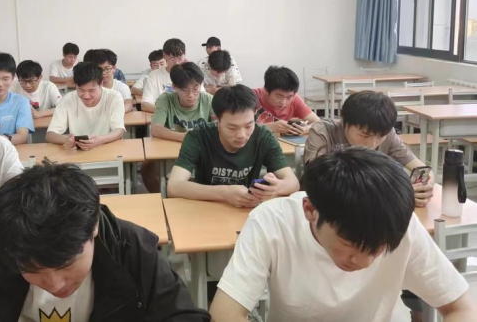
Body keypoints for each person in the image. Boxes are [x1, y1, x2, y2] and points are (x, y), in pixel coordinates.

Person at [0, 164, 210, 321]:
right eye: (33, 270)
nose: (54, 284)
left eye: (66, 265)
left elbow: (181, 315)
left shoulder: (132, 250)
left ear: (93, 228)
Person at [209, 148, 476, 322]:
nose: (365, 262)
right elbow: (225, 313)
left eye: (379, 248)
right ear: (310, 211)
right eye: (350, 245)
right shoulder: (272, 222)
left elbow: (460, 307)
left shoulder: (398, 223)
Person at [167, 85, 299, 208]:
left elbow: (293, 182)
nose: (242, 135)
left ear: (254, 114)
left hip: (246, 210)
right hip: (206, 208)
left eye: (248, 126)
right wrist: (224, 193)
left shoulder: (264, 137)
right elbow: (174, 186)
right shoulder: (199, 136)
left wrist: (276, 188)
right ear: (216, 119)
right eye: (232, 128)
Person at [304, 90, 434, 207]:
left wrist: (425, 187)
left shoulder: (387, 133)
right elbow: (319, 181)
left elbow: (421, 169)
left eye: (381, 136)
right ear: (344, 122)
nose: (372, 144)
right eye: (364, 135)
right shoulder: (323, 131)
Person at [141, 63, 214, 193]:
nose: (191, 95)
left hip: (202, 151)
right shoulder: (166, 99)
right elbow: (156, 128)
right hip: (172, 150)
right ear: (174, 87)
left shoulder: (208, 100)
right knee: (147, 165)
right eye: (185, 90)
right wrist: (184, 137)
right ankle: (162, 198)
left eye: (196, 89)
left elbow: (219, 125)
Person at [45, 62, 125, 151]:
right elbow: (50, 135)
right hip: (78, 153)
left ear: (101, 83)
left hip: (107, 150)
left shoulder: (114, 97)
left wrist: (100, 140)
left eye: (92, 90)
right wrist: (65, 139)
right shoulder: (67, 100)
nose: (86, 96)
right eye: (81, 90)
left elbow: (119, 130)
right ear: (75, 85)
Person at [253, 66, 320, 136]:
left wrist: (305, 129)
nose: (283, 103)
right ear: (266, 91)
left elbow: (318, 123)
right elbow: (244, 130)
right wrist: (268, 127)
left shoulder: (295, 99)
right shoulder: (251, 98)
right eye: (279, 96)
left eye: (289, 97)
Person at [141, 38, 188, 113]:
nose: (177, 63)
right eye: (172, 58)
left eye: (180, 58)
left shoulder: (191, 75)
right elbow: (145, 104)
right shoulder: (154, 75)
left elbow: (202, 100)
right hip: (162, 116)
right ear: (164, 56)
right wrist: (169, 112)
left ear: (185, 55)